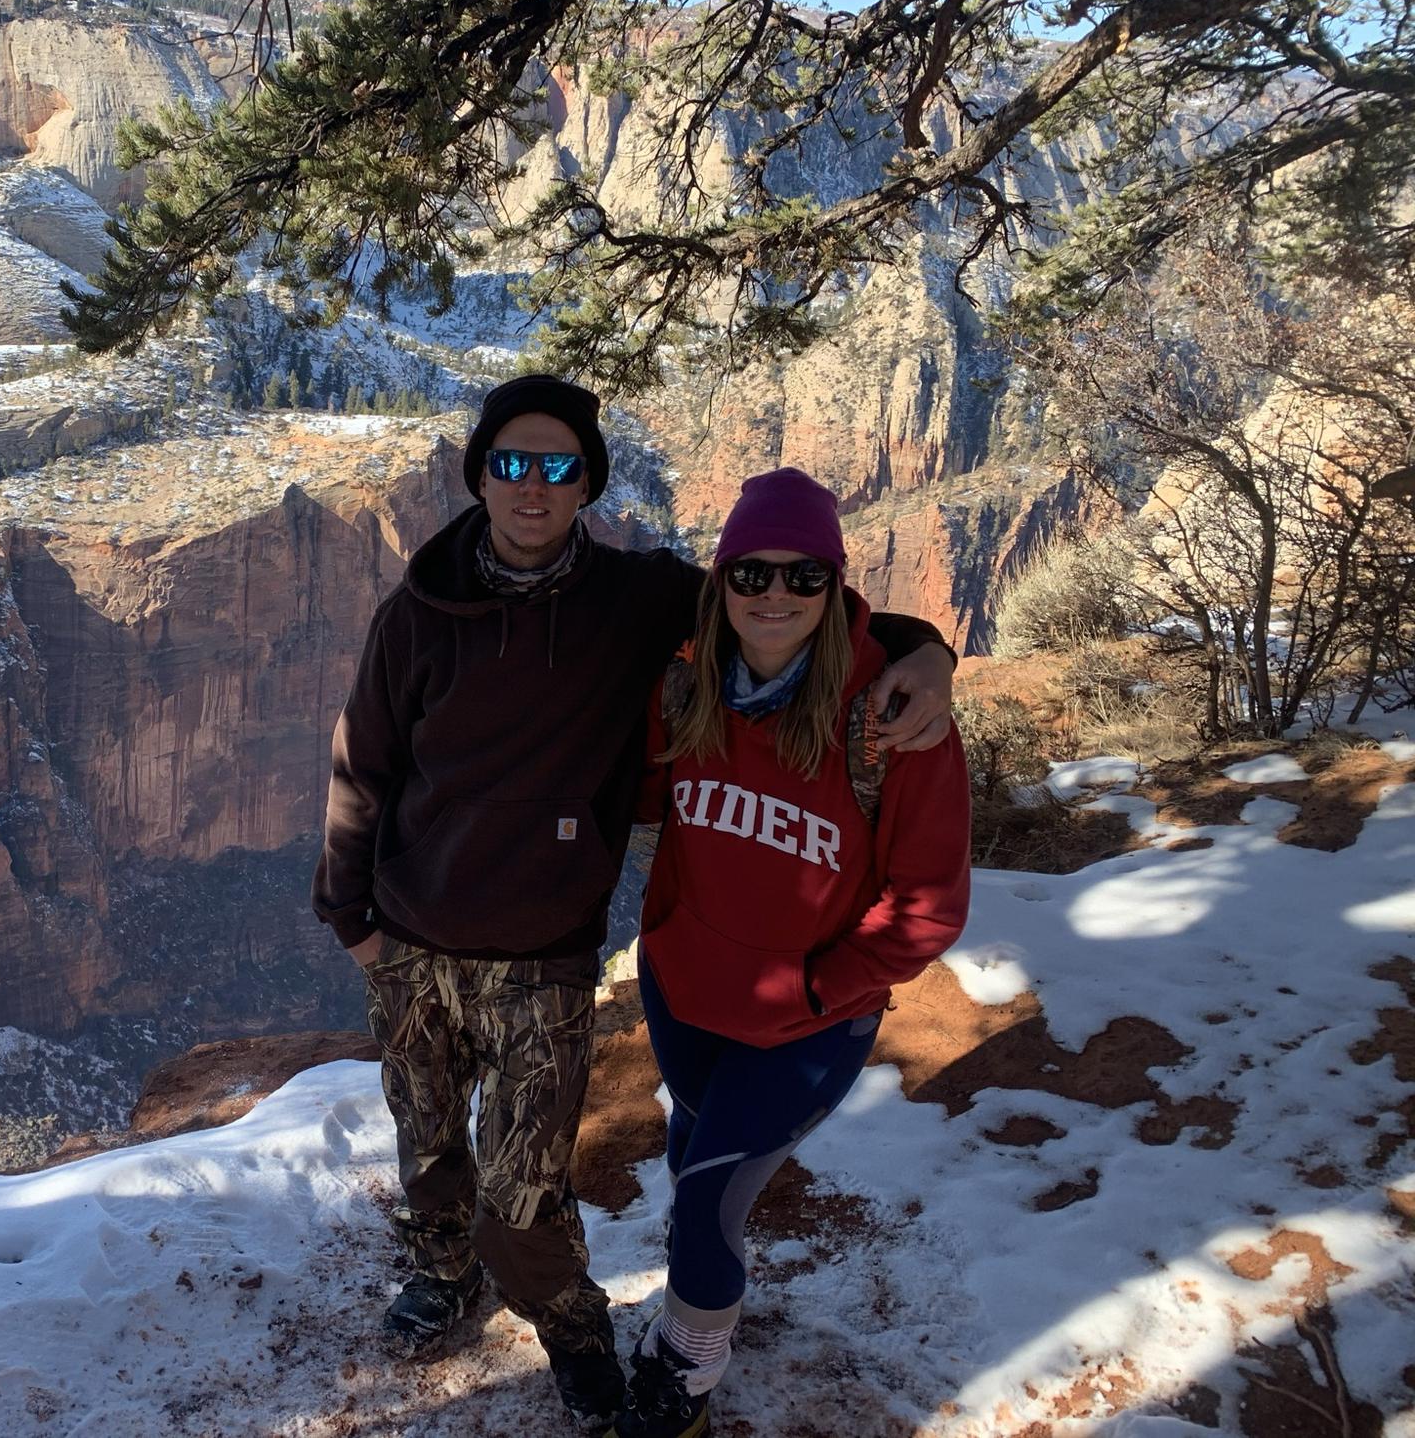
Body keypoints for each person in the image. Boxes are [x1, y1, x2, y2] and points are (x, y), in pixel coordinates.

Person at [312, 376, 959, 1433]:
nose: (531, 485)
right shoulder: (414, 615)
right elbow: (362, 762)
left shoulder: (637, 599)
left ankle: (572, 1328)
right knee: (427, 1151)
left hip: (545, 952)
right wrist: (352, 917)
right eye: (509, 463)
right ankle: (444, 1276)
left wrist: (922, 648)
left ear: (586, 485)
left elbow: (780, 601)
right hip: (412, 934)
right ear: (478, 473)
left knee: (524, 1196)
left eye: (558, 466)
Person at [616, 468, 973, 1438]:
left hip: (805, 1023)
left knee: (702, 1203)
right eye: (751, 573)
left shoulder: (892, 722)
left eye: (804, 576)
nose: (774, 593)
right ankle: (695, 1304)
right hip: (682, 990)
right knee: (691, 1155)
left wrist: (825, 984)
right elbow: (641, 802)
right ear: (720, 580)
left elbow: (928, 908)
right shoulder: (683, 685)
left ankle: (686, 1374)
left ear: (835, 587)